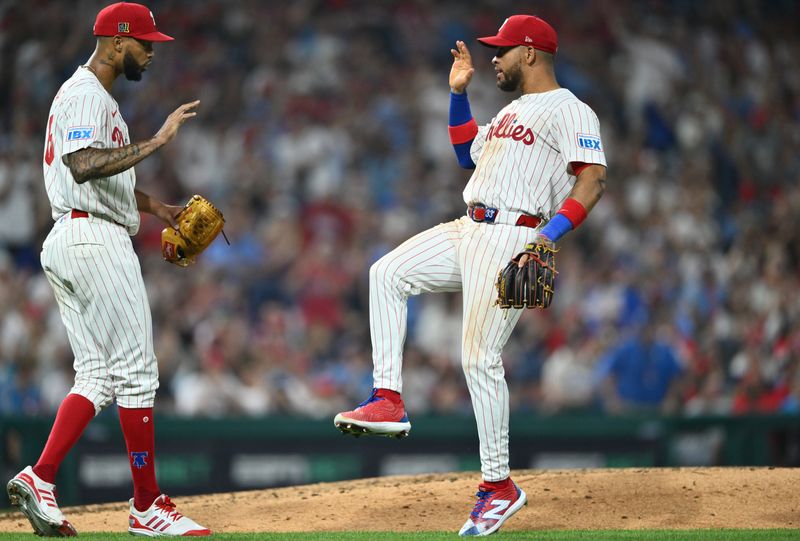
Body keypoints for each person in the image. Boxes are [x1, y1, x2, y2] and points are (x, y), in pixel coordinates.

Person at [334, 14, 607, 537]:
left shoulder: (571, 109)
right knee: (387, 273)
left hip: (515, 234)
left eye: (501, 51)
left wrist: (546, 238)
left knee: (479, 358)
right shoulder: (510, 111)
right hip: (469, 226)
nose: (493, 59)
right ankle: (388, 397)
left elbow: (592, 181)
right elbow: (466, 154)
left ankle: (498, 486)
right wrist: (458, 96)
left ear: (530, 53)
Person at [5, 3, 210, 537]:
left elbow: (101, 179)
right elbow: (83, 164)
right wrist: (159, 141)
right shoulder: (84, 95)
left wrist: (156, 208)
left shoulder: (96, 99)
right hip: (93, 239)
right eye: (145, 44)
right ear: (116, 44)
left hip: (76, 234)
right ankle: (147, 505)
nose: (150, 53)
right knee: (138, 370)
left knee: (96, 374)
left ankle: (42, 476)